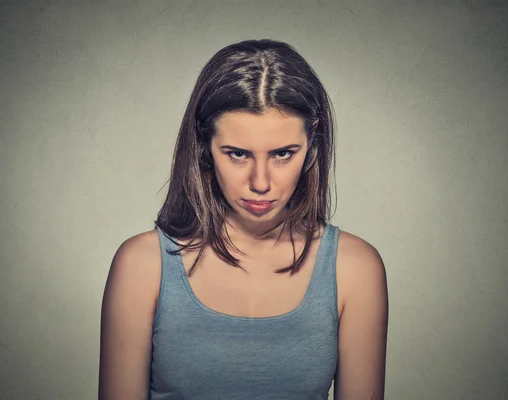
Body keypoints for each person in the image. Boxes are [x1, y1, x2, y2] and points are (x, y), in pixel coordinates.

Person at [98, 39, 388, 400]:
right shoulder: (141, 266)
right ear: (205, 148)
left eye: (283, 154)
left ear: (312, 144)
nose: (261, 183)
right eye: (237, 154)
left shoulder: (355, 268)